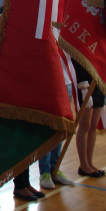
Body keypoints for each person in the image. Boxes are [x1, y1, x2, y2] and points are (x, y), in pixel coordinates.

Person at [39, 59, 76, 189]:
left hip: (66, 82)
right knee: (47, 130)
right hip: (47, 81)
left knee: (60, 130)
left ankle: (55, 169)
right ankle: (45, 172)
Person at [72, 59, 106, 178]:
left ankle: (89, 162)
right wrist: (83, 87)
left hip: (98, 82)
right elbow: (77, 59)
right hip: (85, 84)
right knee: (85, 125)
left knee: (93, 125)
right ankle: (83, 164)